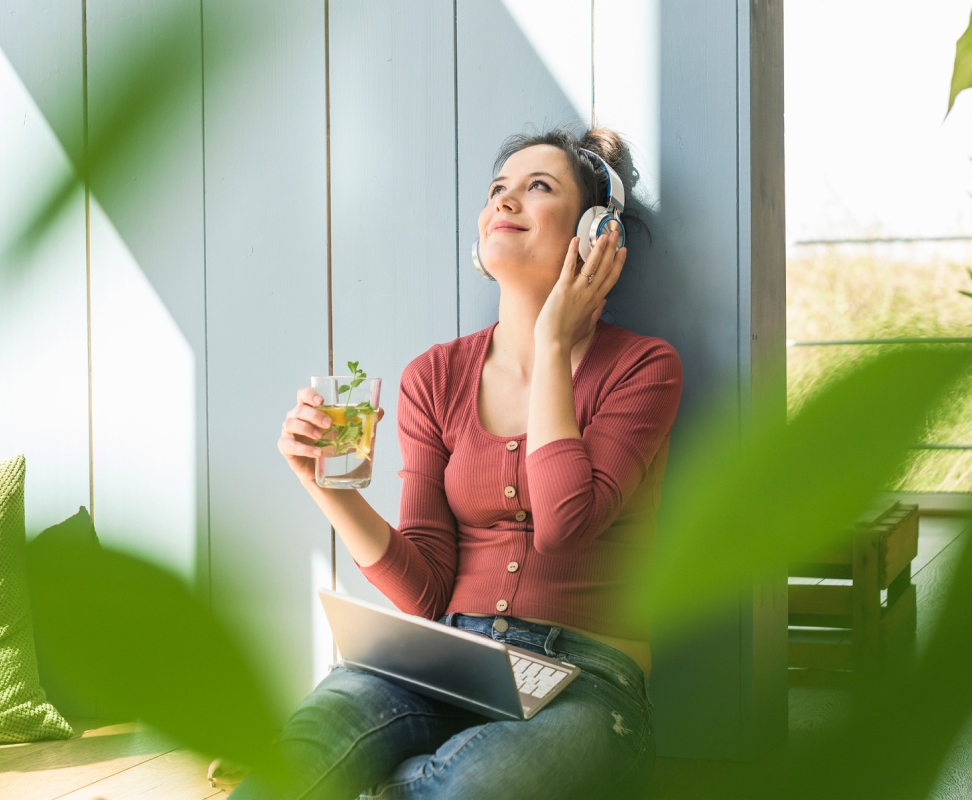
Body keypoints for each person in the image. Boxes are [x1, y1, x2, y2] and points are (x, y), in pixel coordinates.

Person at [230, 126, 682, 799]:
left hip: (587, 682)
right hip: (442, 657)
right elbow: (427, 590)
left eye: (538, 187)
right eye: (497, 190)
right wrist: (327, 489)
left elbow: (563, 524)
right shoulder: (435, 375)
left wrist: (553, 344)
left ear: (594, 232)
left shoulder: (644, 368)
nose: (504, 202)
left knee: (460, 789)